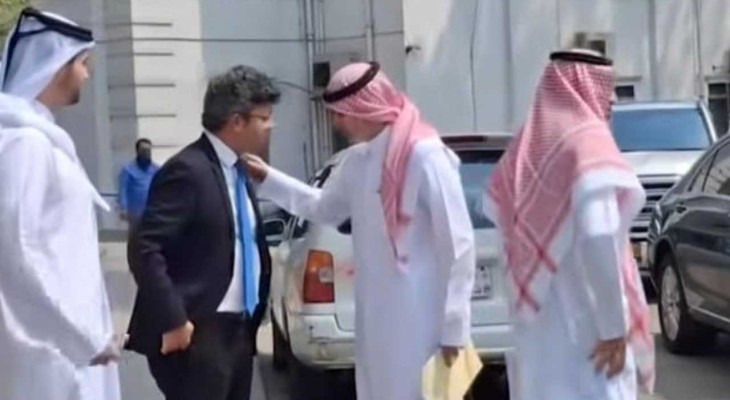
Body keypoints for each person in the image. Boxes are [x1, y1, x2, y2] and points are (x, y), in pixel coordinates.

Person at [245, 61, 475, 400]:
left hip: (423, 321)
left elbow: (458, 244)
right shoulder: (357, 162)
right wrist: (269, 179)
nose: (336, 124)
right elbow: (323, 208)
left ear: (366, 107)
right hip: (375, 319)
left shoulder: (425, 157)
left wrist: (454, 327)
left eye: (341, 114)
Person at [482, 49, 655, 399]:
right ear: (581, 86)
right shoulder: (587, 143)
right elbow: (599, 235)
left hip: (540, 334)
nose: (610, 100)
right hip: (587, 332)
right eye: (606, 88)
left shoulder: (526, 149)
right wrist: (612, 328)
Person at [125, 65, 278, 400]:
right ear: (236, 121)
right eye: (264, 118)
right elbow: (145, 247)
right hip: (198, 334)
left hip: (238, 331)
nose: (271, 126)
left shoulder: (238, 170)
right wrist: (174, 319)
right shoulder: (188, 170)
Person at [0, 7, 121, 400]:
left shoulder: (37, 138)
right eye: (82, 64)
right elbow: (17, 253)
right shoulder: (24, 145)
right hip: (50, 361)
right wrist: (83, 338)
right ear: (55, 66)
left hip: (66, 352)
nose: (86, 75)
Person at [118, 138, 159, 226]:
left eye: (149, 150)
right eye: (144, 150)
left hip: (152, 210)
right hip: (134, 212)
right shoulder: (128, 169)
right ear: (137, 151)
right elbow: (123, 189)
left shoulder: (156, 169)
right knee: (135, 233)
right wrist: (123, 208)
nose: (147, 153)